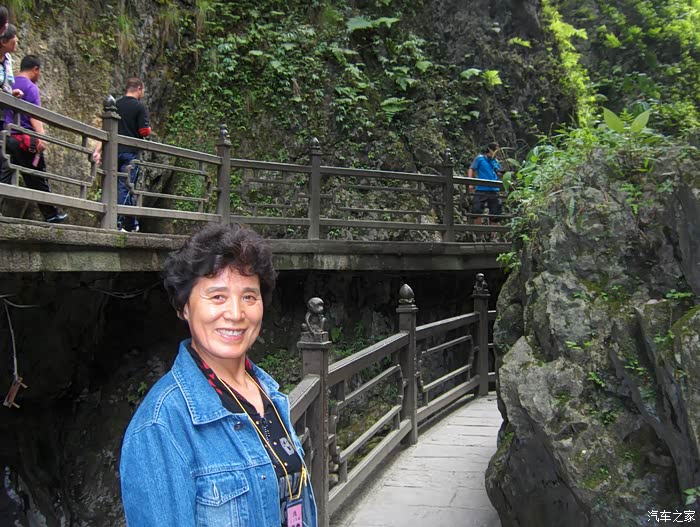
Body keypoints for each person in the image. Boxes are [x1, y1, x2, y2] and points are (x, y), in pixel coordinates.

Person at [120, 223, 317, 527]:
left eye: (249, 297)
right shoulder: (161, 426)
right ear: (184, 307)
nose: (236, 314)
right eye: (217, 297)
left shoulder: (268, 393)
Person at [2, 53, 67, 223]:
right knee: (37, 177)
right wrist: (41, 138)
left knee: (4, 175)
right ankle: (51, 214)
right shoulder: (31, 87)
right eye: (39, 72)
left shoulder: (10, 83)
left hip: (7, 135)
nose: (39, 75)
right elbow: (34, 115)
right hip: (25, 141)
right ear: (35, 69)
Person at [115, 76, 151, 232]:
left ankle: (131, 224)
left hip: (114, 150)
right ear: (139, 89)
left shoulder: (116, 104)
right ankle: (117, 222)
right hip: (130, 152)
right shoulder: (139, 107)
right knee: (126, 187)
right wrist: (149, 130)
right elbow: (144, 131)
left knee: (121, 187)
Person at [467, 142, 503, 225]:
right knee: (476, 210)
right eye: (496, 150)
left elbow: (498, 174)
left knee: (495, 214)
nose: (498, 152)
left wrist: (501, 174)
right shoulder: (480, 158)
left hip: (494, 189)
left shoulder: (496, 161)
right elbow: (471, 168)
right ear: (490, 150)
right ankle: (478, 230)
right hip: (481, 188)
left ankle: (493, 232)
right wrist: (470, 182)